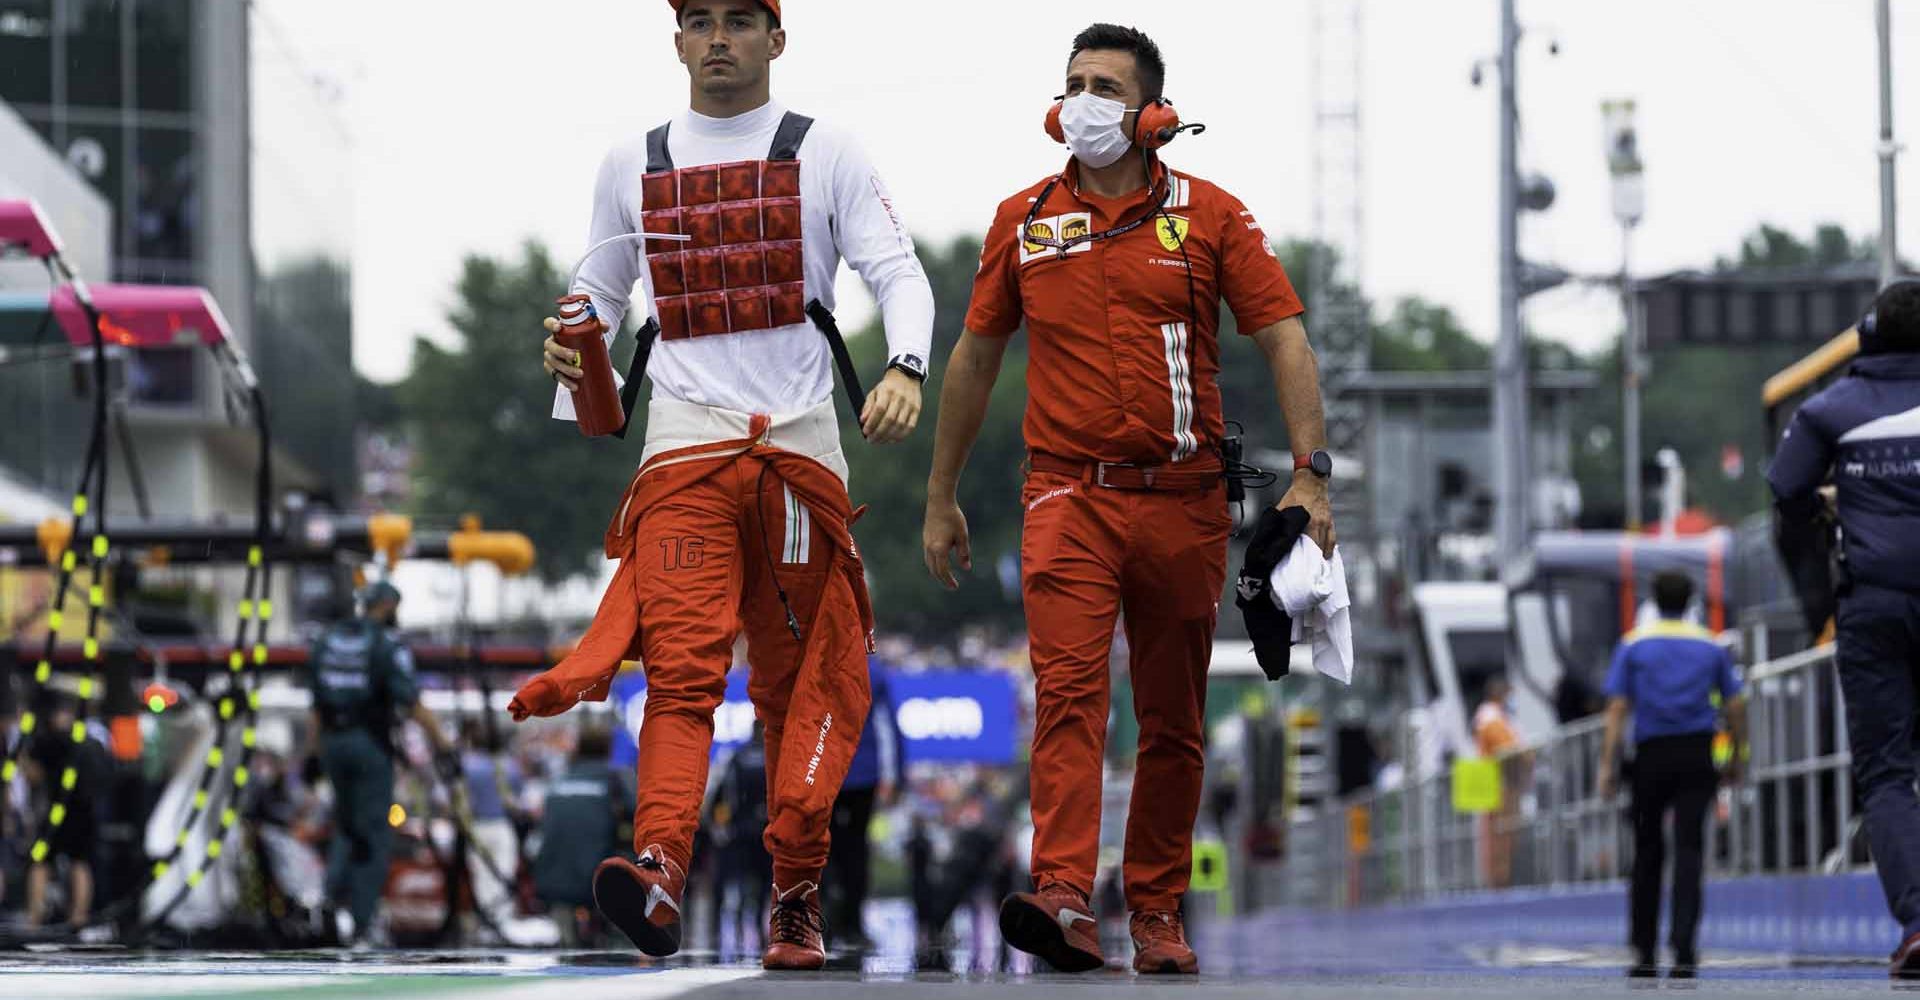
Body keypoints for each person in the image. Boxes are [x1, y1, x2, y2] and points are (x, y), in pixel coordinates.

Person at [513, 0, 935, 971]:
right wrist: (570, 351)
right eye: (698, 18)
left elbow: (898, 275)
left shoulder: (828, 149)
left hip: (798, 453)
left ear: (776, 39)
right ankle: (660, 864)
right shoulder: (632, 162)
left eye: (740, 19)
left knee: (803, 687)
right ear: (676, 41)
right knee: (681, 672)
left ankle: (795, 892)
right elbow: (597, 301)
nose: (717, 37)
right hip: (683, 454)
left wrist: (906, 364)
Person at [921, 23, 1332, 975]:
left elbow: (1284, 339)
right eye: (1073, 84)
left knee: (1174, 717)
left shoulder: (1214, 214)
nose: (1084, 101)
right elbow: (976, 358)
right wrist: (941, 493)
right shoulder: (1022, 219)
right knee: (1068, 692)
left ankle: (1154, 909)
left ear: (1151, 113)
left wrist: (1311, 474)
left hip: (1183, 500)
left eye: (1106, 84)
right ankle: (1062, 895)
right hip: (1066, 494)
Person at [1767, 279, 1920, 977]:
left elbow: (1786, 491)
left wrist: (1832, 511)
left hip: (1876, 608)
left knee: (1888, 774)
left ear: (1866, 337)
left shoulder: (1830, 410)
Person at [1596, 570, 1745, 979]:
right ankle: (1684, 946)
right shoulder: (1710, 646)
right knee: (1690, 850)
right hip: (1697, 756)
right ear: (1691, 599)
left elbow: (1617, 709)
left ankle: (1643, 948)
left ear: (1654, 599)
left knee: (1647, 852)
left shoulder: (1632, 645)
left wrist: (1608, 766)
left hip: (1650, 758)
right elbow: (1734, 706)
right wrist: (1737, 756)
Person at [301, 581, 455, 946]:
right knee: (373, 831)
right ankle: (362, 922)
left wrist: (311, 754)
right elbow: (412, 703)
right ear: (388, 606)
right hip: (368, 744)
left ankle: (327, 901)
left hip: (332, 743)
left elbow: (317, 708)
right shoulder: (385, 645)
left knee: (346, 824)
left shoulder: (327, 642)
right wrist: (443, 745)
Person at [825, 659, 905, 950]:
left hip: (826, 772)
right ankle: (853, 925)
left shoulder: (822, 662)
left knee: (824, 850)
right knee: (856, 851)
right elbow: (888, 725)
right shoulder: (875, 670)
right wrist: (896, 775)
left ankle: (825, 924)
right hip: (863, 774)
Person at [534, 725, 624, 949]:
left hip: (550, 878)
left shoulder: (558, 781)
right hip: (597, 879)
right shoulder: (615, 781)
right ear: (608, 750)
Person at [21, 694, 104, 930]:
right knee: (57, 861)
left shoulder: (54, 742)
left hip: (66, 812)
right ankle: (63, 917)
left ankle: (61, 917)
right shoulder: (85, 741)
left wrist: (24, 760)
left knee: (63, 861)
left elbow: (33, 776)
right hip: (72, 811)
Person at [459, 718, 525, 940]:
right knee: (503, 874)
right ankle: (500, 922)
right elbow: (516, 800)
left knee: (482, 876)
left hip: (476, 828)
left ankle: (486, 923)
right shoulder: (508, 766)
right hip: (499, 826)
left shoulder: (466, 765)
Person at [1472, 674, 1523, 889]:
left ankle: (1500, 880)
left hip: (1495, 784)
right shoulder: (1491, 718)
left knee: (1498, 837)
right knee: (1499, 838)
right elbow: (1509, 749)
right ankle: (1500, 882)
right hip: (1498, 785)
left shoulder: (1492, 717)